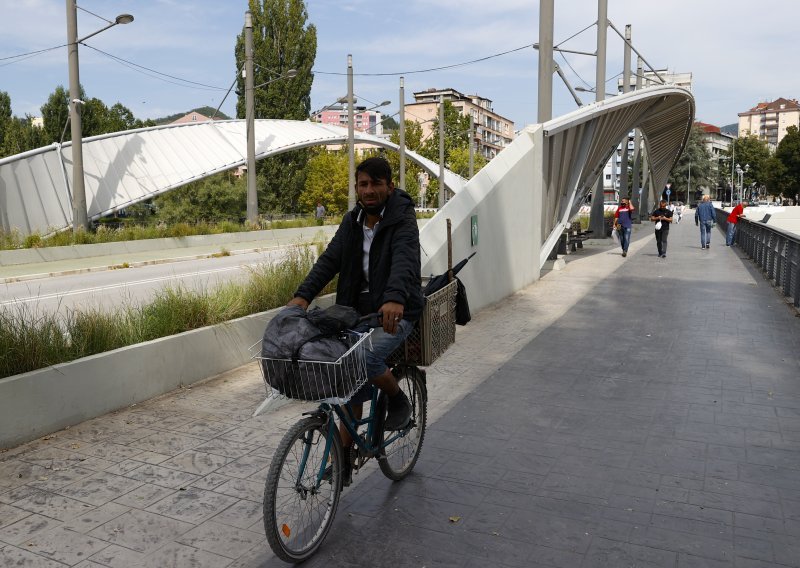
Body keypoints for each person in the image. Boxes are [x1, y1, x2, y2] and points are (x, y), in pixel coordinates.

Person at [288, 157, 424, 482]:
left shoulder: (402, 218)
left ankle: (397, 398)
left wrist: (394, 298)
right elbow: (329, 260)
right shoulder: (352, 222)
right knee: (346, 384)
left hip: (396, 310)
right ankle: (346, 460)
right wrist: (302, 297)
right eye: (363, 184)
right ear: (356, 188)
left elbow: (405, 259)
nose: (369, 190)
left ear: (389, 187)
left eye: (376, 183)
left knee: (366, 355)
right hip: (354, 313)